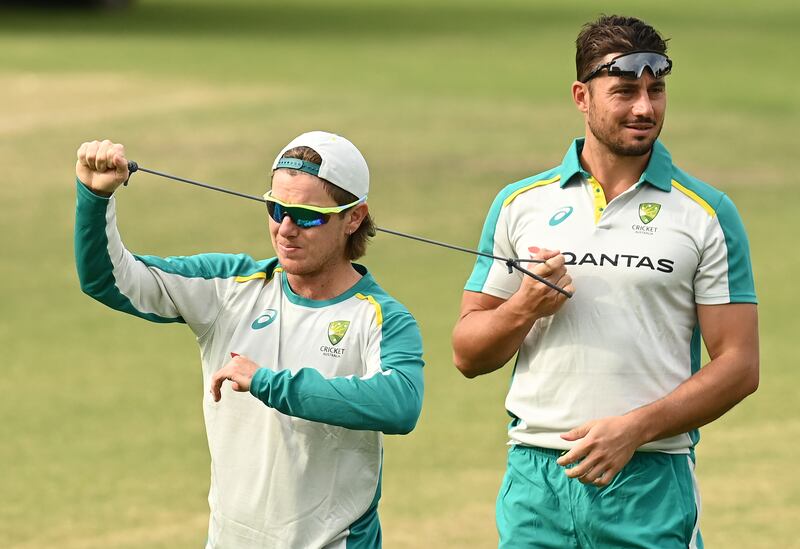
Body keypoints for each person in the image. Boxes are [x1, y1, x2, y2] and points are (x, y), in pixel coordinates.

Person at [451, 14, 758, 549]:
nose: (645, 108)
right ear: (581, 96)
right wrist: (524, 306)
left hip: (648, 479)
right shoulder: (520, 204)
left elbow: (739, 365)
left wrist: (634, 429)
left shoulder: (707, 214)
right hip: (535, 479)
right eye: (624, 91)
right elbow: (468, 354)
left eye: (656, 90)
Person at [74, 131, 424, 548]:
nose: (286, 228)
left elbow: (400, 404)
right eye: (276, 208)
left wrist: (267, 383)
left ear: (353, 217)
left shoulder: (381, 318)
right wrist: (95, 200)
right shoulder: (228, 286)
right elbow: (108, 280)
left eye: (306, 215)